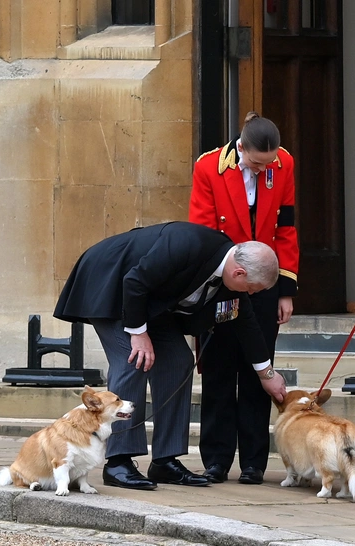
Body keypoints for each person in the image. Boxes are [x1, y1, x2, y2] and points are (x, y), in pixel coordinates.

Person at [53, 221, 288, 491]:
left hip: (151, 304)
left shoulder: (229, 279)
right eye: (251, 288)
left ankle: (165, 460)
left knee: (179, 360)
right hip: (111, 285)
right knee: (134, 359)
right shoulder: (188, 243)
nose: (249, 294)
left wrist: (266, 373)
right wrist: (138, 334)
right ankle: (119, 461)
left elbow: (246, 322)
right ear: (239, 272)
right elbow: (135, 280)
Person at [189, 112, 299, 485]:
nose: (262, 169)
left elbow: (286, 228)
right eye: (255, 162)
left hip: (265, 281)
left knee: (258, 371)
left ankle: (253, 462)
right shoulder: (208, 167)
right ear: (241, 148)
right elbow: (202, 231)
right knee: (219, 370)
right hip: (226, 277)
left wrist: (285, 289)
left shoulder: (283, 164)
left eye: (267, 163)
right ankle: (216, 460)